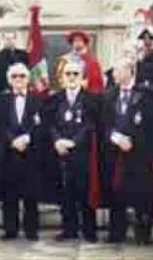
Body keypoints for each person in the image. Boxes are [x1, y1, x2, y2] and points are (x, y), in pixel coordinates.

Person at [102, 58, 153, 244]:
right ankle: (116, 232)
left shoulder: (146, 95)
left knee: (141, 195)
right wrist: (115, 138)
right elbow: (104, 124)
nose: (114, 74)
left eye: (118, 70)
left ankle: (143, 233)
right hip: (116, 154)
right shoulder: (109, 95)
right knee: (116, 193)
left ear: (130, 71)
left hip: (141, 155)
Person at [45, 59, 100, 242]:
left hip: (82, 154)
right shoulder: (55, 99)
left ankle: (89, 231)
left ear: (83, 77)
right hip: (60, 153)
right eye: (67, 74)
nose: (71, 77)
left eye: (75, 74)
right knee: (65, 193)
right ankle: (69, 229)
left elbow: (91, 125)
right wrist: (57, 140)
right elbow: (50, 124)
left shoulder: (91, 99)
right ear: (62, 77)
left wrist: (73, 142)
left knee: (85, 192)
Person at [0, 63, 45, 241]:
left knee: (31, 195)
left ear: (28, 79)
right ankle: (10, 230)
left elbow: (42, 126)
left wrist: (27, 138)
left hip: (31, 154)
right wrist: (12, 140)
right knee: (10, 195)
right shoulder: (1, 100)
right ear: (9, 80)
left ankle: (31, 230)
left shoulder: (37, 99)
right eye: (14, 76)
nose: (18, 80)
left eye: (22, 76)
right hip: (9, 153)